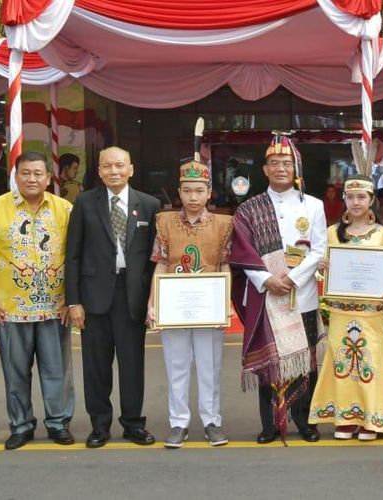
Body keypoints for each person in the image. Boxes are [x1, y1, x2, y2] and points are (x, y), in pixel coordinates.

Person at [230, 135, 327, 444]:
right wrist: (266, 280)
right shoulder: (248, 209)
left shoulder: (314, 205)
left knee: (305, 360)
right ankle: (269, 424)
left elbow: (318, 251)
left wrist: (293, 279)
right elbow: (242, 252)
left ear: (296, 167)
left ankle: (304, 420)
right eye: (275, 163)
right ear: (265, 168)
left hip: (304, 295)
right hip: (266, 295)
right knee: (271, 361)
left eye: (287, 163)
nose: (281, 168)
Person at [65, 146, 161, 448]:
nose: (114, 171)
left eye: (119, 166)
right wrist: (74, 301)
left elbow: (155, 258)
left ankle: (133, 423)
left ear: (130, 168)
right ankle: (100, 425)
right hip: (94, 297)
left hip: (132, 295)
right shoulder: (84, 202)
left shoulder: (149, 204)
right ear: (100, 170)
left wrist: (153, 299)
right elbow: (73, 256)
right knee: (96, 365)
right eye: (107, 166)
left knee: (132, 364)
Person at [309, 141, 383, 441]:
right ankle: (345, 419)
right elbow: (323, 272)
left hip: (371, 312)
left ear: (372, 200)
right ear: (344, 200)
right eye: (350, 197)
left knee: (369, 361)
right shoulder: (333, 233)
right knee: (341, 361)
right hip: (340, 310)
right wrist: (322, 265)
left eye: (362, 197)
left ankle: (371, 419)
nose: (356, 202)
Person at [147, 160, 233, 448]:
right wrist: (153, 303)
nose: (193, 197)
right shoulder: (165, 221)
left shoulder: (224, 224)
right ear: (178, 193)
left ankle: (212, 421)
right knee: (177, 364)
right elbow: (160, 266)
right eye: (187, 191)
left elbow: (224, 266)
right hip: (175, 305)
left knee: (210, 366)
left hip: (208, 305)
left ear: (209, 193)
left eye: (199, 191)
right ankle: (178, 422)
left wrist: (225, 303)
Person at [0, 151, 75, 450]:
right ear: (15, 176)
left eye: (37, 173)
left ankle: (58, 423)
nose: (31, 178)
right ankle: (21, 425)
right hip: (9, 308)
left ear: (48, 177)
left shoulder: (64, 210)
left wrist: (73, 298)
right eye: (25, 173)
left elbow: (75, 256)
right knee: (14, 371)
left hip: (55, 307)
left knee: (57, 370)